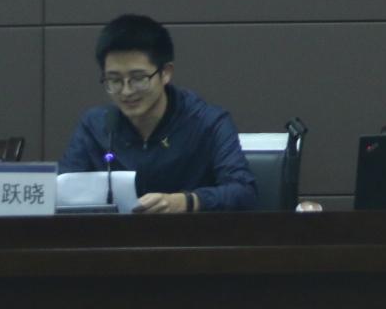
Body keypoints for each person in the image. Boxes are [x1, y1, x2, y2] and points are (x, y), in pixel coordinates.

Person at [58, 14, 257, 213]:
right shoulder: (95, 126)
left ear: (165, 73)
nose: (126, 91)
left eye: (138, 78)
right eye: (115, 80)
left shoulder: (207, 123)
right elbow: (62, 194)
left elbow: (243, 191)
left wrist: (186, 201)